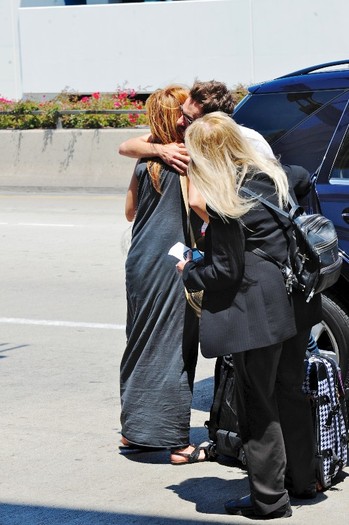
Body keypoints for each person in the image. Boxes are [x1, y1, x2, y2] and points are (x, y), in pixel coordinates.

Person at [176, 112, 322, 519]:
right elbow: (304, 181)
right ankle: (303, 482)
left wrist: (189, 271)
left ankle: (269, 500)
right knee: (291, 391)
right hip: (296, 301)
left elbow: (225, 270)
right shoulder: (277, 176)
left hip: (258, 311)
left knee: (259, 403)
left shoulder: (227, 198)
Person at [120, 85, 211, 465]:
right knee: (175, 346)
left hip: (140, 261)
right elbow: (198, 205)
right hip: (172, 264)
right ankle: (178, 443)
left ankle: (133, 432)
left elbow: (129, 212)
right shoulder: (184, 159)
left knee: (141, 344)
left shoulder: (146, 162)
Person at [118, 80, 274, 174]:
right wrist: (160, 150)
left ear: (212, 123)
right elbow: (125, 147)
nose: (178, 121)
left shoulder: (251, 142)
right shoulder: (183, 140)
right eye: (181, 111)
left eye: (187, 118)